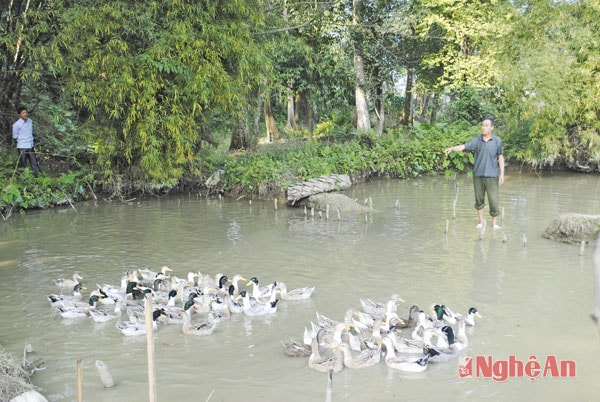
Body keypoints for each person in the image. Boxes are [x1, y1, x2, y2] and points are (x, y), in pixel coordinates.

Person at [444, 117, 504, 230]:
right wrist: (452, 148)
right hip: (478, 175)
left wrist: (502, 174)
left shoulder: (497, 141)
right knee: (479, 199)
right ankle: (481, 222)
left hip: (492, 175)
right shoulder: (476, 141)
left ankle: (494, 223)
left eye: (486, 125)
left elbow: (500, 157)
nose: (483, 127)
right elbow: (463, 147)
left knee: (494, 200)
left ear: (492, 128)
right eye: (482, 125)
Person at [12, 106, 40, 176]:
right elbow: (15, 136)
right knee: (23, 164)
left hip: (30, 145)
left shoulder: (30, 121)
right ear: (20, 115)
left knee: (34, 163)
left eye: (26, 112)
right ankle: (24, 178)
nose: (25, 114)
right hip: (22, 146)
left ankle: (37, 178)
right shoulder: (16, 125)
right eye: (23, 113)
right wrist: (21, 140)